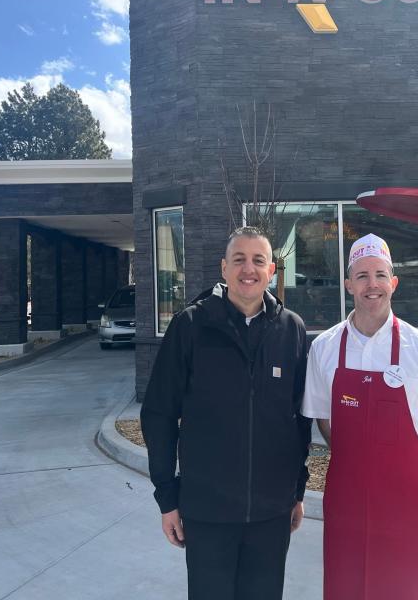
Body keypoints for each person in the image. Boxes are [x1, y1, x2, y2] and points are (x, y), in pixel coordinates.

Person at [141, 226, 312, 600]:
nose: (248, 269)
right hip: (207, 512)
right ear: (223, 268)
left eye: (258, 260)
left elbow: (300, 418)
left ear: (271, 271)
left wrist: (296, 490)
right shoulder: (190, 326)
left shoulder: (292, 329)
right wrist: (167, 498)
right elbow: (159, 414)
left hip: (271, 513)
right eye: (239, 260)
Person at [302, 234, 418, 600]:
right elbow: (325, 421)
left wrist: (401, 473)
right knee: (346, 587)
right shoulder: (324, 348)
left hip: (404, 506)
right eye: (361, 276)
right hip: (345, 505)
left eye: (380, 274)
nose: (371, 284)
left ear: (393, 283)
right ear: (348, 284)